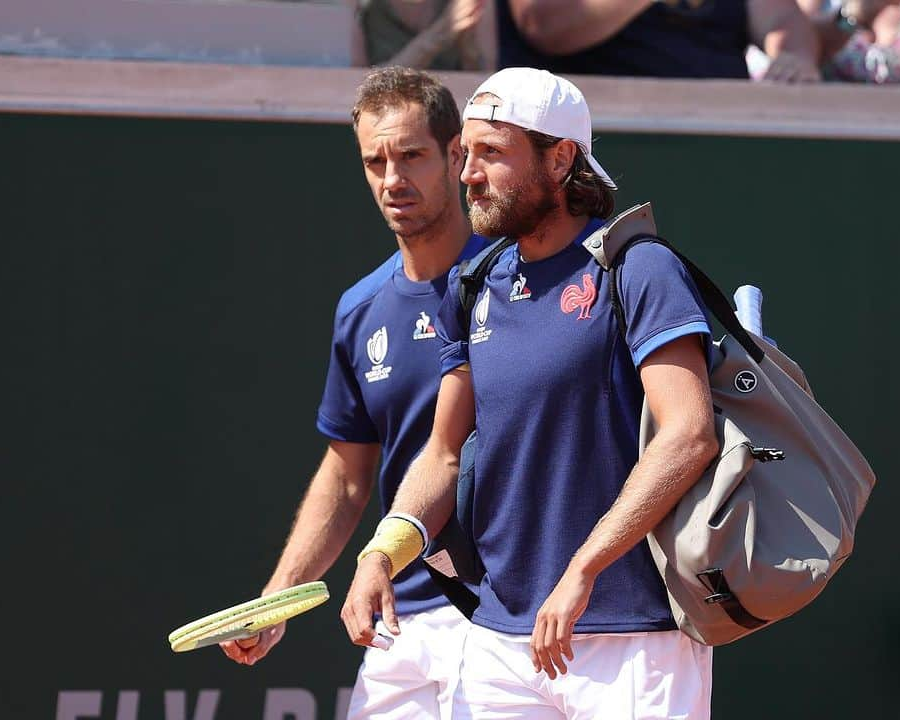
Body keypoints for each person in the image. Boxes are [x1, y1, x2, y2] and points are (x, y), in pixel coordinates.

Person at [342, 67, 720, 717]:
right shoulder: (476, 286)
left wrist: (584, 568)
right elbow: (443, 454)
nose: (469, 174)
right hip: (500, 641)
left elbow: (689, 435)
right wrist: (382, 551)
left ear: (560, 158)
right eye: (469, 152)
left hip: (631, 637)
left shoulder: (638, 266)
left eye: (492, 153)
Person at [221, 66, 487, 719]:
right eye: (376, 161)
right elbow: (347, 479)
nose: (393, 179)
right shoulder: (360, 309)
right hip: (400, 619)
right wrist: (279, 598)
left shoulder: (514, 278)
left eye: (412, 156)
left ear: (455, 156)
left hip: (506, 618)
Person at [496, 0, 822, 82]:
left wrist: (793, 56)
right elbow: (543, 24)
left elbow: (784, 20)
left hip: (720, 136)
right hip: (591, 150)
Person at [350, 0, 496, 71]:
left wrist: (468, 48)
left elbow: (483, 80)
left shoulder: (467, 6)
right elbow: (355, 88)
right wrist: (436, 36)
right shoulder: (365, 10)